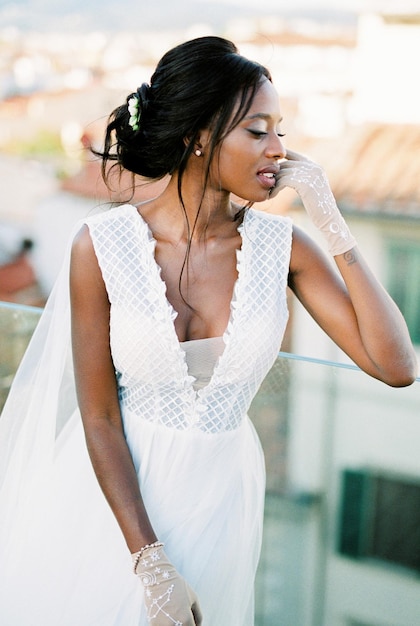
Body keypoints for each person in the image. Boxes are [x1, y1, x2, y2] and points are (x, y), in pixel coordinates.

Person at [0, 36, 417, 626]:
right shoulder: (99, 247)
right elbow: (98, 416)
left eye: (282, 131)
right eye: (257, 131)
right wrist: (151, 562)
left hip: (219, 501)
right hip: (116, 508)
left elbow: (397, 365)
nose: (278, 149)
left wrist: (330, 218)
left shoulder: (286, 249)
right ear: (198, 136)